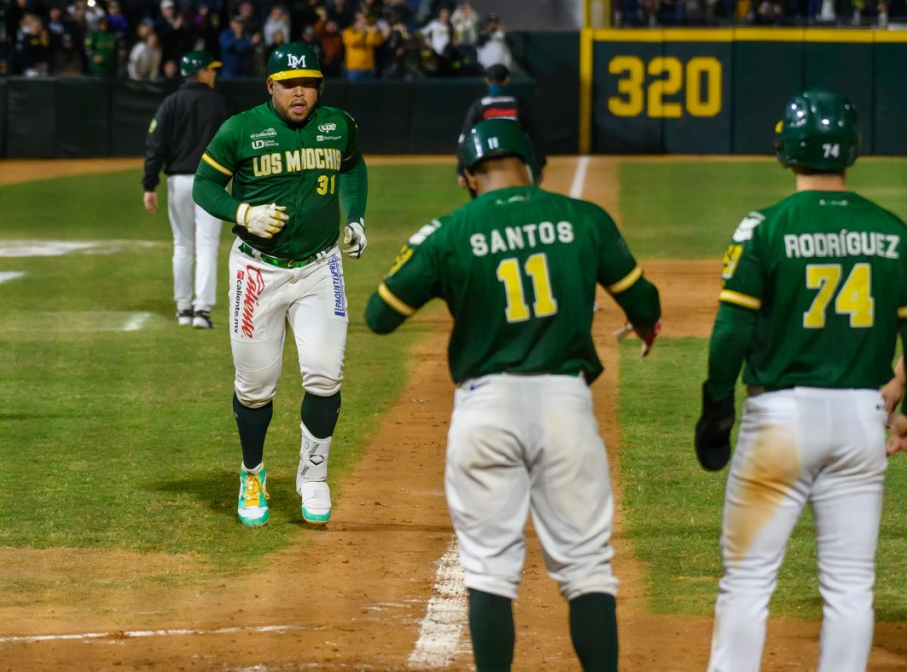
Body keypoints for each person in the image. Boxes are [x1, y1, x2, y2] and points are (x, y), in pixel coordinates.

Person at [365, 118, 662, 672]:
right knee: (587, 568)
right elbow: (643, 300)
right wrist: (645, 325)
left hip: (485, 408)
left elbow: (380, 317)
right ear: (531, 164)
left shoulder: (449, 230)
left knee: (487, 570)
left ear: (466, 178)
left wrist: (435, 259)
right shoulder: (583, 218)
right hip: (564, 407)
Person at [694, 87, 907, 672]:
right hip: (863, 423)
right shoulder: (892, 230)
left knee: (747, 582)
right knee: (849, 588)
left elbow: (731, 334)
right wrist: (901, 402)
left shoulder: (764, 227)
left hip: (779, 425)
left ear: (787, 147)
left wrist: (716, 406)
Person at [193, 42, 369, 527]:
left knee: (325, 374)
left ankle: (313, 475)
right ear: (270, 85)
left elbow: (352, 167)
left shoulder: (338, 125)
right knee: (254, 389)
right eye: (290, 84)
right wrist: (243, 211)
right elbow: (203, 186)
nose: (300, 93)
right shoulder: (240, 129)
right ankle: (253, 473)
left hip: (319, 266)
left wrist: (355, 219)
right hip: (256, 269)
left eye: (309, 83)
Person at [142, 50, 227, 328]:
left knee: (182, 245)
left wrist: (149, 184)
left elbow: (156, 145)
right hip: (211, 184)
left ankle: (183, 309)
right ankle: (201, 311)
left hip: (178, 182)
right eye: (211, 69)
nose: (214, 74)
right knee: (207, 246)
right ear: (201, 72)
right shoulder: (218, 104)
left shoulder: (170, 103)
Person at [456, 62, 547, 190]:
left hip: (487, 169)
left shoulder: (478, 107)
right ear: (507, 79)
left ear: (486, 81)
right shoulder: (518, 104)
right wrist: (538, 166)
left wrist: (461, 171)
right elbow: (533, 138)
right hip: (517, 166)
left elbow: (465, 140)